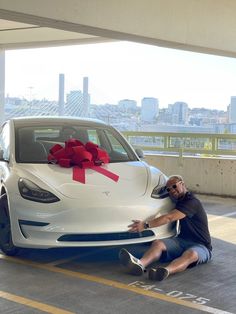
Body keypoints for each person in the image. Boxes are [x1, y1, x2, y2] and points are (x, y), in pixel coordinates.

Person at [119, 175, 212, 281]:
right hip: (182, 240)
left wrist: (145, 225)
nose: (171, 190)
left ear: (182, 184)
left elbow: (169, 217)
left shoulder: (192, 202)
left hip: (201, 245)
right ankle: (140, 264)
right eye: (169, 189)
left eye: (174, 186)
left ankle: (165, 271)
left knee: (191, 254)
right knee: (158, 244)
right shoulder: (179, 200)